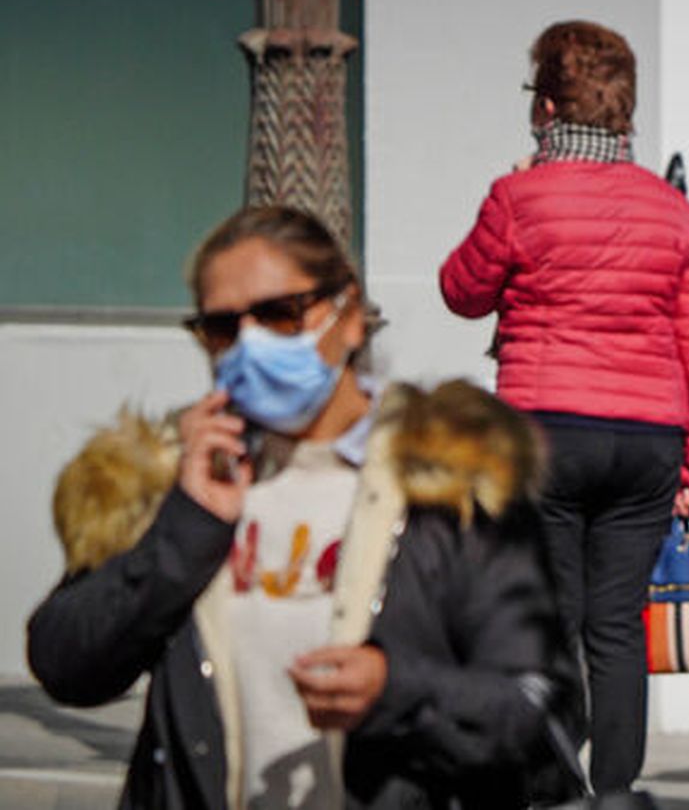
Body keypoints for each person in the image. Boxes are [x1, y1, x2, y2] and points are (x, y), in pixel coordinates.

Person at [27, 206, 582, 808]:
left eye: (279, 315)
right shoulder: (173, 475)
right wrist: (185, 530)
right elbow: (66, 663)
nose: (250, 345)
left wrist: (398, 691)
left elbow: (547, 712)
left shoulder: (454, 481)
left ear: (347, 315)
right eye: (221, 327)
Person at [439, 19, 689, 797]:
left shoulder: (519, 196)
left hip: (546, 430)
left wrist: (508, 198)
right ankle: (617, 793)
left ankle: (554, 782)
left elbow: (461, 291)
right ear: (624, 112)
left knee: (552, 619)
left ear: (546, 107)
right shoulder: (671, 211)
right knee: (617, 627)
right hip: (647, 440)